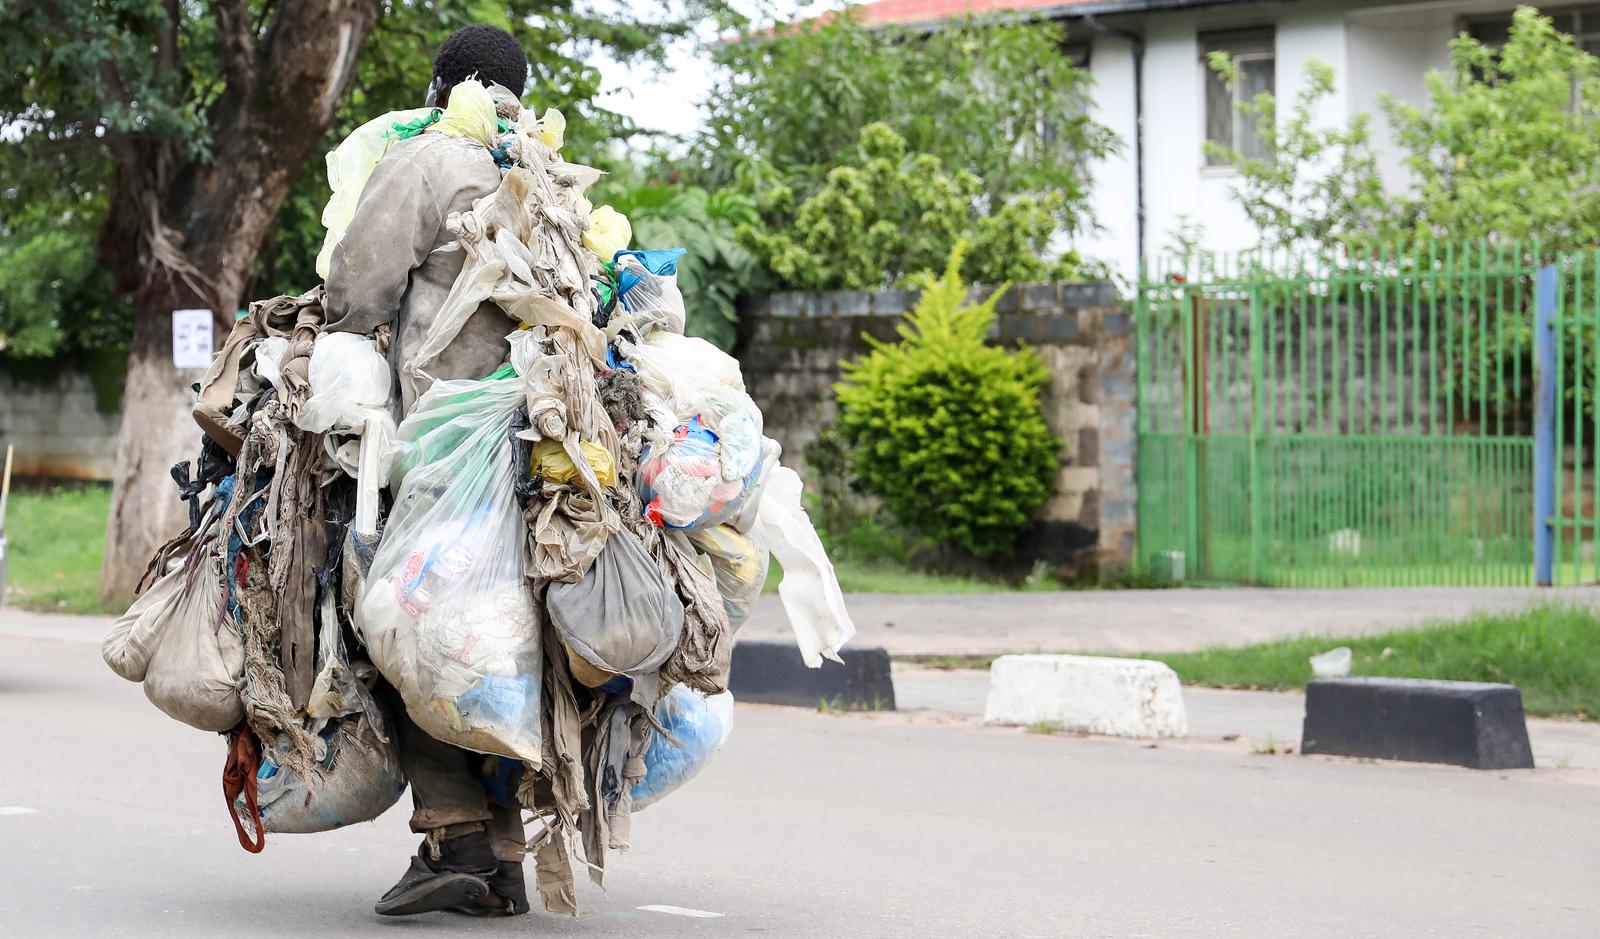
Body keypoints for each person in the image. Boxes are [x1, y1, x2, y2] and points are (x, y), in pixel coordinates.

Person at [323, 24, 533, 919]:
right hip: (544, 443)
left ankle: (452, 835)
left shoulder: (429, 161)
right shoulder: (549, 171)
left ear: (443, 85)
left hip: (448, 440)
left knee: (414, 619)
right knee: (510, 635)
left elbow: (356, 286)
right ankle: (507, 852)